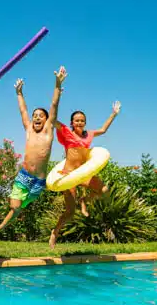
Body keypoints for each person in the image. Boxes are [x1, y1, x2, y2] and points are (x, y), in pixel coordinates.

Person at [0, 65, 67, 239]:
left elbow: (54, 104)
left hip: (39, 182)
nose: (36, 117)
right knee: (15, 205)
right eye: (35, 115)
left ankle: (0, 228)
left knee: (18, 208)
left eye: (40, 116)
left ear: (47, 120)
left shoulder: (48, 130)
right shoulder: (29, 129)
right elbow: (23, 111)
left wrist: (57, 84)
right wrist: (19, 93)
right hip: (24, 176)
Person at [49, 101, 121, 248]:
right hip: (68, 175)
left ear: (85, 122)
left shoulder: (89, 134)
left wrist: (114, 114)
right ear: (72, 123)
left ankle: (84, 200)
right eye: (77, 120)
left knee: (104, 191)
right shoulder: (66, 132)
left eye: (82, 120)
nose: (80, 122)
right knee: (69, 212)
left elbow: (103, 129)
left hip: (82, 173)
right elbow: (53, 120)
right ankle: (55, 233)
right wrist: (57, 92)